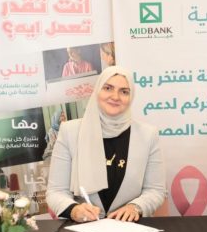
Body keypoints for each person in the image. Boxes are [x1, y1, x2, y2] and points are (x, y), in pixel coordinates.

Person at [46, 66, 166, 222]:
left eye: (124, 91)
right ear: (97, 91)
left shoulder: (148, 135)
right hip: (83, 228)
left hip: (130, 227)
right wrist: (74, 210)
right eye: (108, 88)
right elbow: (56, 191)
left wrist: (135, 207)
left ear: (131, 97)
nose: (115, 96)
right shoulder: (70, 132)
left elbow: (155, 190)